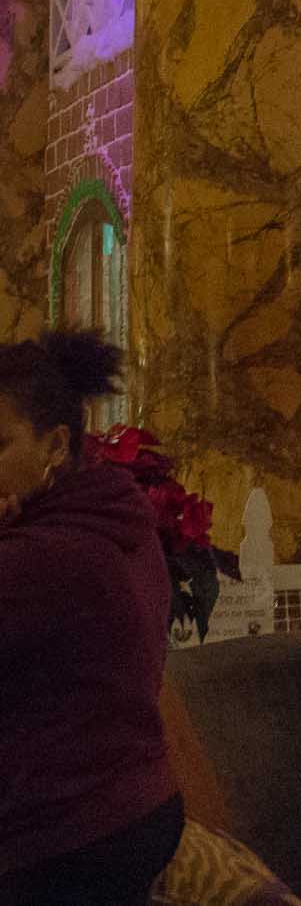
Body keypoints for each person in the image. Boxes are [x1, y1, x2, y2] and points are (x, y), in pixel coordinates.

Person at [0, 334, 183, 906]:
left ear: (55, 444)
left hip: (61, 837)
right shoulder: (112, 510)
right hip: (132, 806)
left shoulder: (50, 556)